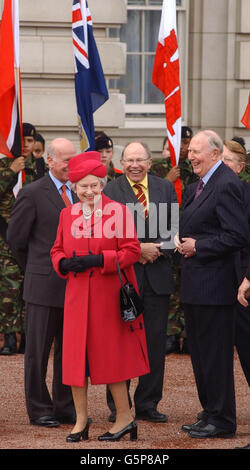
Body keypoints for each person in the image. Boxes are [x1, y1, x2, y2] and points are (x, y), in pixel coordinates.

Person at [50, 151, 150, 442]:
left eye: (95, 185)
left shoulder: (117, 211)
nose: (89, 190)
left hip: (108, 295)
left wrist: (99, 261)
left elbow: (131, 251)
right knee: (75, 360)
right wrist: (62, 263)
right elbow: (56, 249)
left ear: (102, 184)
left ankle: (124, 417)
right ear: (75, 188)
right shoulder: (66, 214)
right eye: (83, 186)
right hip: (78, 296)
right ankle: (81, 421)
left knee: (112, 358)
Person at [178, 130, 249, 439]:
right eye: (190, 151)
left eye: (197, 151)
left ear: (216, 154)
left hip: (216, 288)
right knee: (201, 355)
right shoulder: (198, 185)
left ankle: (222, 420)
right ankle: (210, 412)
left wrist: (199, 246)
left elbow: (237, 235)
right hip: (196, 285)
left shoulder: (226, 184)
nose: (191, 156)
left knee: (215, 356)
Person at [103, 141, 177, 423]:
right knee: (119, 342)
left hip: (157, 276)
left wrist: (156, 248)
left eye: (140, 160)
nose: (134, 165)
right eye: (129, 159)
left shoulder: (164, 188)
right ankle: (117, 406)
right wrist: (138, 251)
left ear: (149, 162)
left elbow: (174, 228)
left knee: (155, 343)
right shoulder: (110, 190)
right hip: (123, 278)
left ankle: (148, 403)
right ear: (122, 162)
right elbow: (107, 235)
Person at [7, 138, 77, 427]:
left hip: (75, 287)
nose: (71, 167)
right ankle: (39, 408)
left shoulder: (80, 191)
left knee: (68, 351)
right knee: (37, 352)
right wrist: (36, 269)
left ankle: (64, 405)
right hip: (42, 286)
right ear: (50, 160)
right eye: (66, 161)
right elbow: (15, 240)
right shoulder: (32, 193)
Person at [151, 127, 198, 355]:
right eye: (179, 142)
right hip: (165, 232)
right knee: (168, 284)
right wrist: (167, 181)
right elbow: (149, 202)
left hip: (189, 232)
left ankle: (187, 334)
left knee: (187, 284)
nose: (183, 147)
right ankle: (170, 333)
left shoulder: (194, 169)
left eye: (187, 143)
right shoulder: (158, 169)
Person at [0, 122, 45, 356]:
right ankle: (9, 337)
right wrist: (10, 171)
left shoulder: (39, 167)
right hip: (6, 238)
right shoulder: (4, 166)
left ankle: (28, 337)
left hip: (33, 239)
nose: (27, 145)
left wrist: (35, 166)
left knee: (31, 288)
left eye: (30, 141)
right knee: (9, 288)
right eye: (23, 141)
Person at [222, 140, 250, 386]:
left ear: (240, 167)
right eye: (219, 159)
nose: (222, 165)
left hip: (245, 281)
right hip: (218, 280)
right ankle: (218, 409)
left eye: (228, 160)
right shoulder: (203, 192)